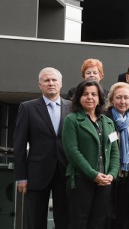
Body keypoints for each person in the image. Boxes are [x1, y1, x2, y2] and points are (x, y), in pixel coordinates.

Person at [14, 67, 70, 229]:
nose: (51, 83)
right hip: (36, 174)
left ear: (61, 84)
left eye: (54, 80)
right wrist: (21, 177)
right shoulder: (27, 108)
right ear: (40, 85)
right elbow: (18, 145)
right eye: (46, 80)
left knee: (64, 219)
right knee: (35, 221)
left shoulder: (72, 107)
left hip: (64, 172)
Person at [62, 80, 119, 229]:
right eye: (85, 94)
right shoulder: (71, 120)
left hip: (105, 181)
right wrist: (93, 175)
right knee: (78, 223)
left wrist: (112, 175)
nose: (89, 97)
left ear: (100, 98)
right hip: (81, 180)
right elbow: (72, 152)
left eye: (94, 94)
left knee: (98, 223)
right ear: (79, 97)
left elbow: (114, 152)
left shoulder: (108, 122)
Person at [105, 82, 129, 229]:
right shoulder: (104, 120)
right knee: (109, 220)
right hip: (110, 178)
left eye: (126, 97)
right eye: (118, 97)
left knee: (126, 220)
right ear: (112, 100)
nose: (122, 101)